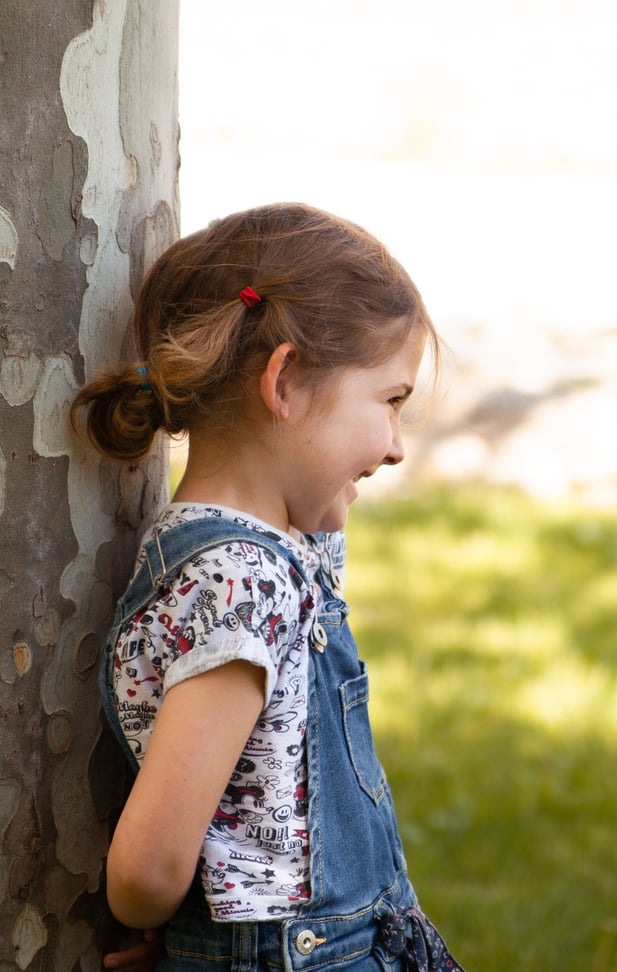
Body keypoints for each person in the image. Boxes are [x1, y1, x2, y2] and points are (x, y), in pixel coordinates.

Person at [72, 203, 465, 972]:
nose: (394, 448)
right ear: (282, 382)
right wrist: (182, 929)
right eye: (389, 402)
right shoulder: (238, 586)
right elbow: (148, 867)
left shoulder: (260, 553)